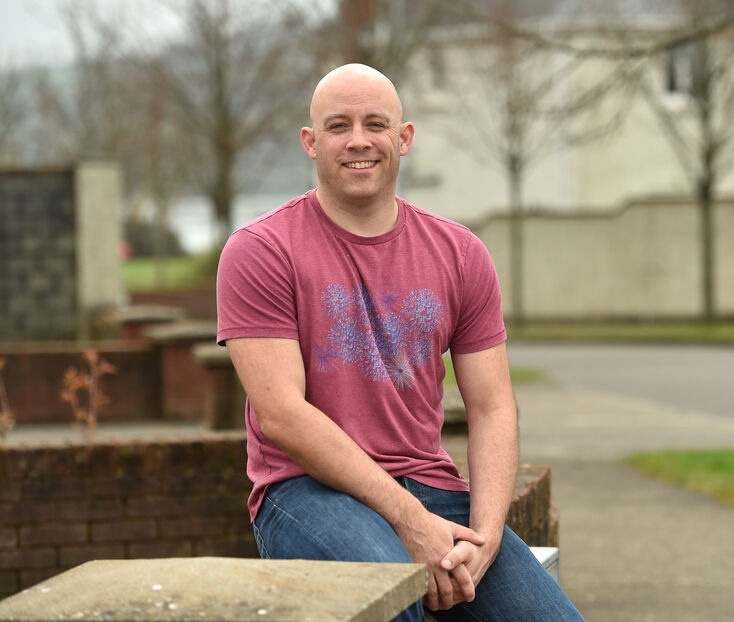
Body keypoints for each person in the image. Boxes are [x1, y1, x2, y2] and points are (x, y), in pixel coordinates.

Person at [216, 63, 584, 621]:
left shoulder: (460, 254)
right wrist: (410, 521)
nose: (358, 140)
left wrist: (483, 541)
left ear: (404, 138)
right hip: (307, 494)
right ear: (310, 143)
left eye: (376, 124)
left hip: (432, 488)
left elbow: (491, 406)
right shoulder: (261, 251)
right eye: (338, 126)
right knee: (394, 602)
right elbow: (283, 416)